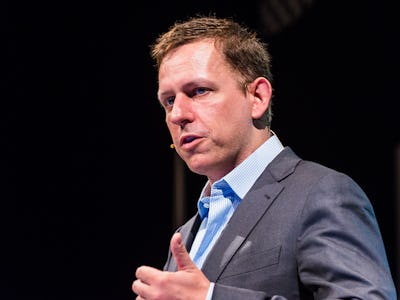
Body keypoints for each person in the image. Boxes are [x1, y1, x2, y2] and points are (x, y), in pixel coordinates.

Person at [132, 15, 397, 299]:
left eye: (199, 91)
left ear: (257, 97)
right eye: (169, 100)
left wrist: (211, 297)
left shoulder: (320, 194)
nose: (177, 114)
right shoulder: (185, 236)